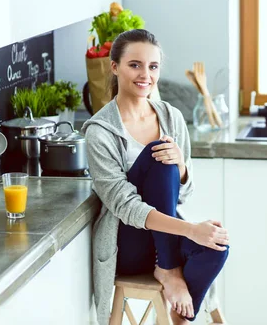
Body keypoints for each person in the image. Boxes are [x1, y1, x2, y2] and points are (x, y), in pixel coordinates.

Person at [82, 29, 230, 325]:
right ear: (115, 67)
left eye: (153, 66)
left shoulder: (171, 116)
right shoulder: (100, 132)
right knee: (158, 155)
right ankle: (169, 269)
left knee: (216, 247)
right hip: (128, 244)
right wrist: (189, 230)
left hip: (164, 237)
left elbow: (183, 193)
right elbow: (125, 207)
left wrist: (183, 168)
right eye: (134, 65)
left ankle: (178, 319)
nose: (145, 75)